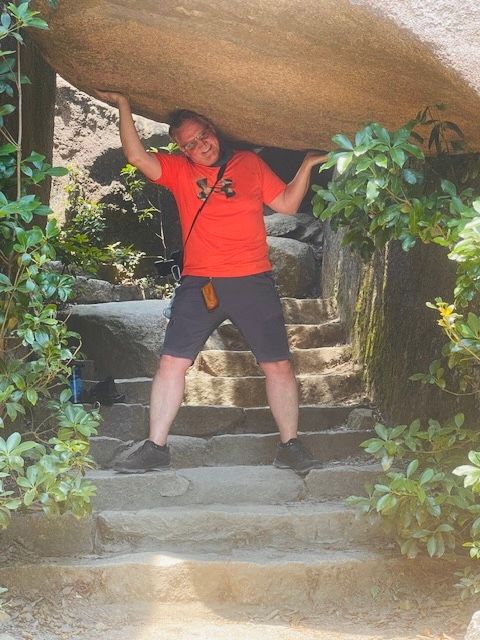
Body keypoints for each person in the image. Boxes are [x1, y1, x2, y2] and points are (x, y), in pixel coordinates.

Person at [95, 90, 328, 475]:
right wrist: (124, 104)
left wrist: (306, 165)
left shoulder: (249, 163)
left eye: (203, 134)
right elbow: (136, 157)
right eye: (190, 144)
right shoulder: (179, 171)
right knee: (171, 363)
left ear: (213, 128)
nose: (201, 145)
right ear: (181, 150)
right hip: (201, 284)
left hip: (252, 281)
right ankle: (155, 447)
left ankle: (289, 445)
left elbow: (286, 204)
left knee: (278, 366)